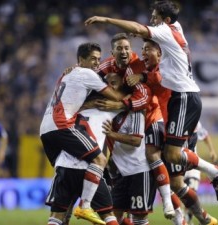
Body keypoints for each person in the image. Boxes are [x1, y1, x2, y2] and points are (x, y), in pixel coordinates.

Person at [85, 0, 218, 203]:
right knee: (171, 155)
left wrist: (106, 19)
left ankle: (215, 173)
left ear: (166, 20)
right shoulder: (176, 27)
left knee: (172, 155)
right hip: (180, 98)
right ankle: (212, 174)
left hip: (184, 97)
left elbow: (138, 28)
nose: (152, 21)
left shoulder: (166, 31)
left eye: (155, 17)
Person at [129, 38, 217, 225]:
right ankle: (197, 218)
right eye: (142, 49)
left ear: (160, 54)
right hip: (168, 127)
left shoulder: (167, 68)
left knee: (165, 168)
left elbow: (160, 79)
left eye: (148, 49)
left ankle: (214, 172)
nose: (143, 53)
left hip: (177, 128)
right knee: (174, 183)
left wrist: (142, 77)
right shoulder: (147, 68)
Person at [39, 42, 124, 225]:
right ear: (81, 60)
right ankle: (84, 206)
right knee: (99, 160)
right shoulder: (88, 75)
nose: (96, 63)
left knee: (61, 206)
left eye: (98, 60)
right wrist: (121, 100)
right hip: (61, 126)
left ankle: (72, 208)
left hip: (46, 130)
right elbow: (116, 97)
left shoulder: (66, 75)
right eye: (93, 59)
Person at [95, 33, 175, 219]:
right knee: (115, 216)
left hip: (152, 116)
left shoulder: (136, 70)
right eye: (119, 48)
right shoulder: (108, 66)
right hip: (122, 169)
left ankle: (172, 207)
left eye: (126, 48)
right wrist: (73, 70)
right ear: (112, 52)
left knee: (152, 155)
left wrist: (120, 105)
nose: (123, 51)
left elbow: (144, 101)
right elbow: (90, 72)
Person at [102, 73, 157, 225]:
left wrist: (111, 134)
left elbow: (136, 140)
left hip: (139, 171)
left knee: (139, 219)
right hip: (121, 173)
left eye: (114, 82)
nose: (110, 86)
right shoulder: (108, 108)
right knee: (114, 216)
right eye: (108, 83)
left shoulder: (137, 108)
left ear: (123, 84)